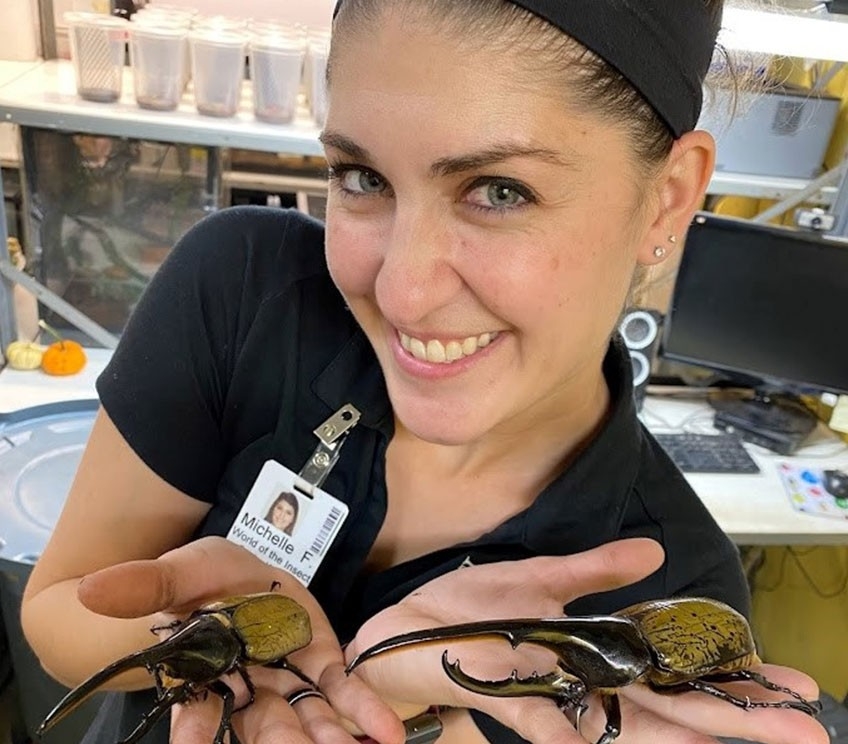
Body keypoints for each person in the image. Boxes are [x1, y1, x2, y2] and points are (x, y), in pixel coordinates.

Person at [20, 1, 828, 744]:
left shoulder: (663, 588)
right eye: (362, 178)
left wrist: (402, 692)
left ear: (667, 198)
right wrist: (203, 632)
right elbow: (57, 621)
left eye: (499, 190)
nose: (401, 289)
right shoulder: (243, 295)